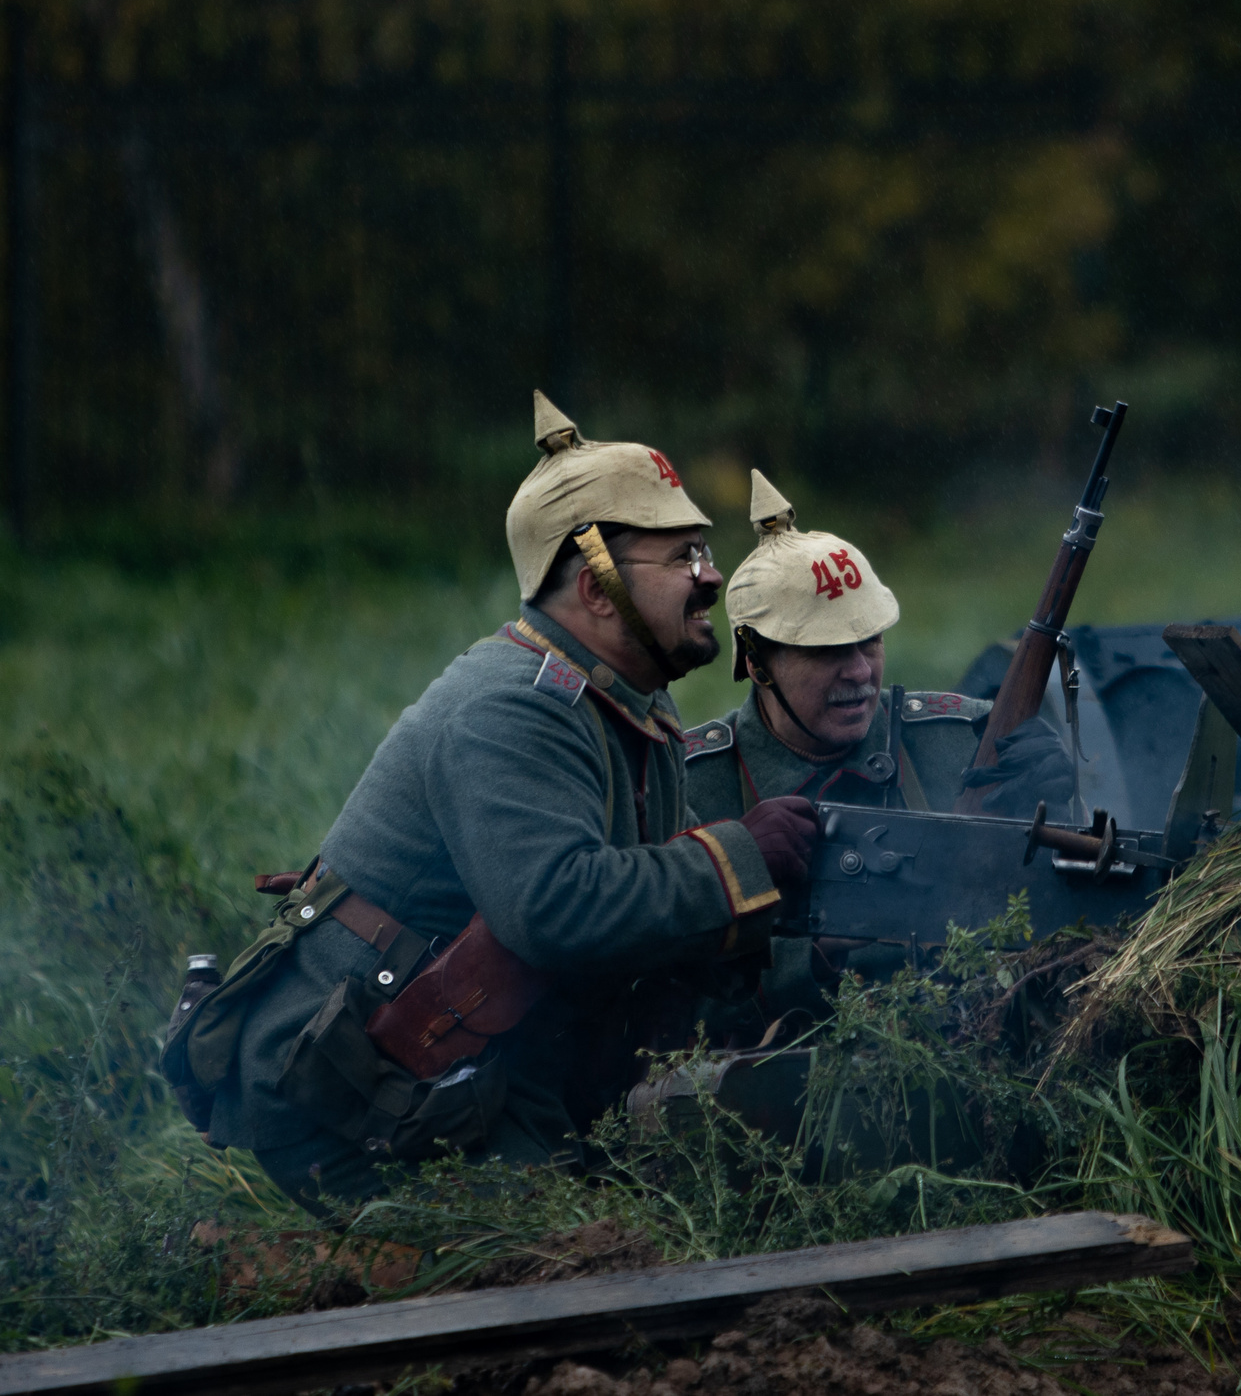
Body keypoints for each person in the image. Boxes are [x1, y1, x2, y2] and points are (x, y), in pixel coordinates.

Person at [192, 394, 822, 1215]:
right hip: (354, 1094)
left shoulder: (631, 704)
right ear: (596, 588)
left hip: (491, 1062)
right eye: (682, 557)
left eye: (703, 550)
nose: (711, 577)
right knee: (579, 1269)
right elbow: (555, 907)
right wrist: (738, 857)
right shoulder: (512, 707)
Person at [681, 470, 1074, 1032]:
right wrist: (810, 962)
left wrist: (1059, 808)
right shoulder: (698, 786)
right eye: (827, 651)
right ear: (755, 660)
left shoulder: (963, 739)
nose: (861, 672)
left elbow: (1058, 914)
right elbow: (666, 1008)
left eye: (870, 639)